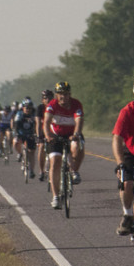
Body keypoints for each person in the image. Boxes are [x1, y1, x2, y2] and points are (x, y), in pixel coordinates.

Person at [42, 81, 84, 210]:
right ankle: (55, 196)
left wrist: (76, 134)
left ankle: (74, 171)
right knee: (55, 162)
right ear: (56, 95)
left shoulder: (76, 104)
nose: (63, 97)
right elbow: (47, 122)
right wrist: (48, 136)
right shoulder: (52, 105)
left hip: (72, 134)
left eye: (65, 94)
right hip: (56, 136)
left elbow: (79, 120)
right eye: (60, 94)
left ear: (69, 94)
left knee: (76, 147)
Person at [112, 83, 134, 236]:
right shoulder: (127, 111)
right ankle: (127, 214)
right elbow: (117, 139)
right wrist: (120, 164)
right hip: (130, 152)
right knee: (127, 183)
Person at [13, 97, 39, 178]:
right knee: (15, 142)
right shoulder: (19, 114)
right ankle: (20, 153)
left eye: (29, 107)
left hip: (30, 134)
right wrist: (17, 134)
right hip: (21, 133)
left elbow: (37, 125)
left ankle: (31, 170)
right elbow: (16, 125)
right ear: (23, 107)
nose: (28, 109)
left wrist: (36, 134)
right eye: (26, 107)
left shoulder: (34, 114)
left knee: (32, 152)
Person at [36, 89, 54, 181]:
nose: (48, 100)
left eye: (50, 98)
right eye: (45, 98)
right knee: (42, 147)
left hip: (54, 130)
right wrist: (39, 136)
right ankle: (41, 171)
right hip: (44, 130)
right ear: (42, 100)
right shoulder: (40, 108)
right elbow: (38, 123)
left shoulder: (56, 106)